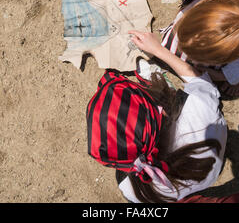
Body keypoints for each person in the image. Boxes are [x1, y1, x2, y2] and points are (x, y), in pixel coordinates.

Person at [87, 62, 227, 203]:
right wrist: (158, 51)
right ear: (162, 111)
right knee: (179, 100)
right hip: (213, 167)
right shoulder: (197, 106)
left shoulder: (129, 189)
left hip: (191, 184)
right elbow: (202, 81)